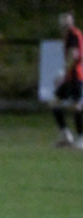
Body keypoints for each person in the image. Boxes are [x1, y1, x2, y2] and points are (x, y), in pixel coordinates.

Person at [50, 11, 83, 149]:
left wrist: (63, 73)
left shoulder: (73, 34)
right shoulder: (69, 35)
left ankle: (81, 138)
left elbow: (74, 55)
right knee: (54, 102)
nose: (64, 24)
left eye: (66, 21)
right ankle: (66, 135)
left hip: (75, 76)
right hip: (70, 76)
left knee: (77, 106)